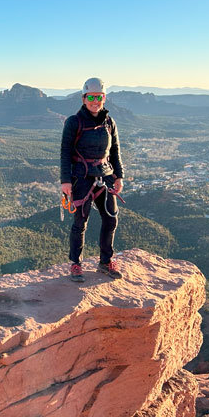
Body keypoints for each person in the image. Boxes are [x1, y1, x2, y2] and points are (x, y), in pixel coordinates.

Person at [60, 77, 124, 282]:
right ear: (84, 98)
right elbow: (65, 152)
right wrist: (65, 180)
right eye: (91, 97)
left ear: (104, 98)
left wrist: (119, 176)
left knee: (111, 218)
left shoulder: (109, 122)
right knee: (80, 222)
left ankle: (105, 261)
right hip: (81, 177)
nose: (95, 101)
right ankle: (76, 264)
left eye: (99, 97)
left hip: (104, 175)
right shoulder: (74, 122)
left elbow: (115, 150)